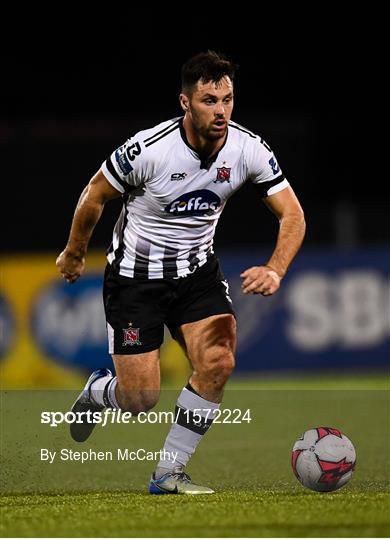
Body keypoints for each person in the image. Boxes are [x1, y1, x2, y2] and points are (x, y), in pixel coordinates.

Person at [56, 50, 305, 495]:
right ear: (185, 103)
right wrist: (75, 253)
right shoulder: (149, 149)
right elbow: (94, 195)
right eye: (210, 100)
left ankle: (168, 472)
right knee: (140, 399)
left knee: (219, 362)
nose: (222, 111)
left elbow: (293, 215)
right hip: (135, 280)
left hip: (196, 276)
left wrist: (276, 268)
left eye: (228, 99)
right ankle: (99, 392)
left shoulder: (249, 149)